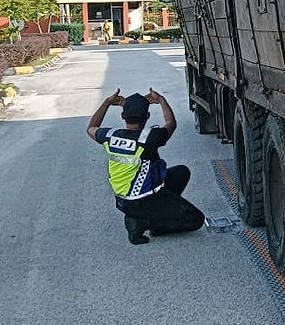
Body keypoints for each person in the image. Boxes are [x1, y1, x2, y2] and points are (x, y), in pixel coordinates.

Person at [86, 87, 205, 244]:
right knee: (196, 220)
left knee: (181, 172)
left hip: (123, 200)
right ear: (147, 116)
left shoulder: (110, 136)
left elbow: (91, 128)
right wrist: (161, 100)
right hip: (143, 201)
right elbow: (171, 123)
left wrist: (107, 102)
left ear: (123, 116)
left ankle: (151, 214)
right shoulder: (149, 138)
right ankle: (149, 223)